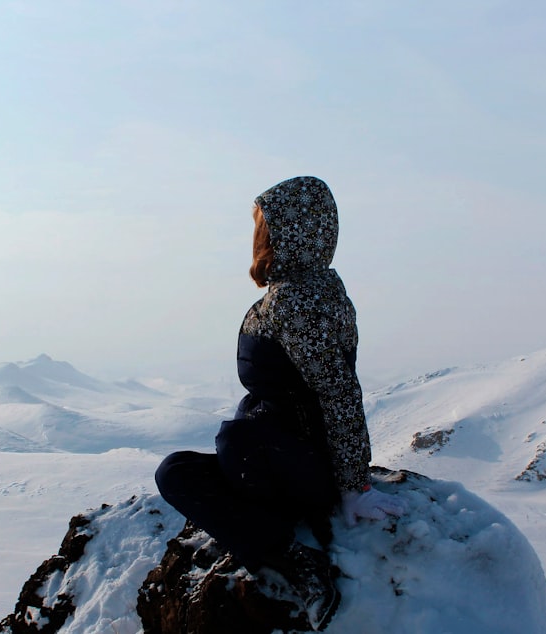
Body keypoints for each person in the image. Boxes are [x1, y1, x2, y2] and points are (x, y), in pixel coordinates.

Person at [155, 176, 406, 631]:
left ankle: (297, 564)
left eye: (263, 226)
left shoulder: (298, 301)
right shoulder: (306, 288)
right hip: (282, 461)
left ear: (290, 233)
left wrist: (353, 485)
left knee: (225, 445)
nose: (256, 237)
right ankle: (265, 534)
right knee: (176, 471)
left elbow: (340, 392)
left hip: (299, 467)